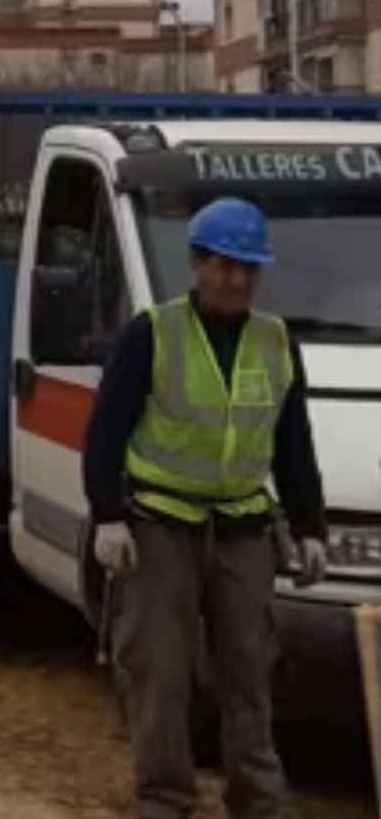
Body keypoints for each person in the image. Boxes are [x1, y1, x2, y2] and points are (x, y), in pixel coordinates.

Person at [83, 197, 327, 819]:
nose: (237, 280)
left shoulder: (275, 340)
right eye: (225, 265)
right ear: (197, 264)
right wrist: (107, 514)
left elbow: (293, 442)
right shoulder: (153, 333)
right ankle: (165, 800)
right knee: (160, 673)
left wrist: (310, 527)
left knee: (249, 672)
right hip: (161, 525)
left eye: (249, 268)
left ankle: (258, 801)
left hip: (243, 529)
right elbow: (105, 430)